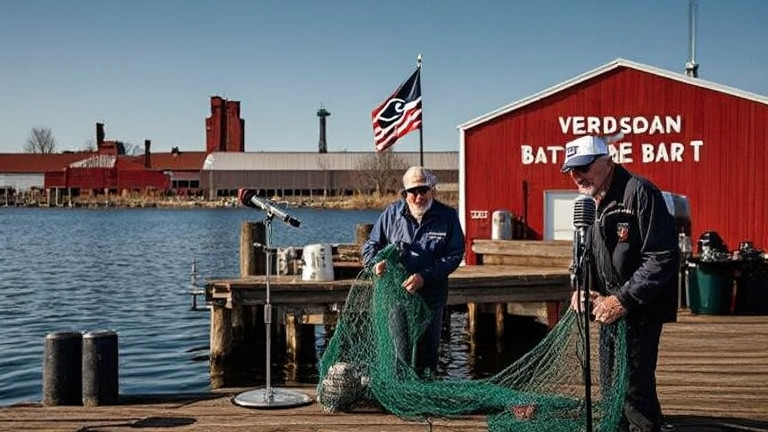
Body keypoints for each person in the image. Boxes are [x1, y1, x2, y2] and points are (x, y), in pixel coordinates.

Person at [562, 135, 679, 432]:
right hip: (608, 308)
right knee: (611, 383)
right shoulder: (589, 202)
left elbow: (661, 256)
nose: (577, 177)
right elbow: (583, 254)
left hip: (640, 307)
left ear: (607, 161)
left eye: (584, 167)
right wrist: (582, 287)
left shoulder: (639, 192)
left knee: (634, 387)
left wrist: (623, 299)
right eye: (572, 171)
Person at [362, 165, 465, 379]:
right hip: (396, 296)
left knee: (426, 360)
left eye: (423, 190)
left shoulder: (447, 216)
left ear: (432, 190)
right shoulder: (391, 214)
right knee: (400, 354)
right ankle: (399, 390)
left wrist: (425, 277)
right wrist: (375, 264)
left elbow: (454, 254)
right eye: (413, 192)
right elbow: (371, 245)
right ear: (404, 193)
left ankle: (424, 391)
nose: (419, 197)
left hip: (430, 299)